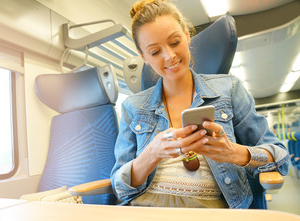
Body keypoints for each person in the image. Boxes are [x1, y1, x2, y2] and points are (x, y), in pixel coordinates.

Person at [110, 0, 290, 209]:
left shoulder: (229, 89)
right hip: (147, 210)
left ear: (187, 35)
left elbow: (280, 157)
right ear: (144, 57)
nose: (169, 56)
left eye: (175, 42)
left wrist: (234, 152)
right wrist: (152, 153)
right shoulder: (132, 107)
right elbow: (119, 187)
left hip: (210, 214)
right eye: (155, 52)